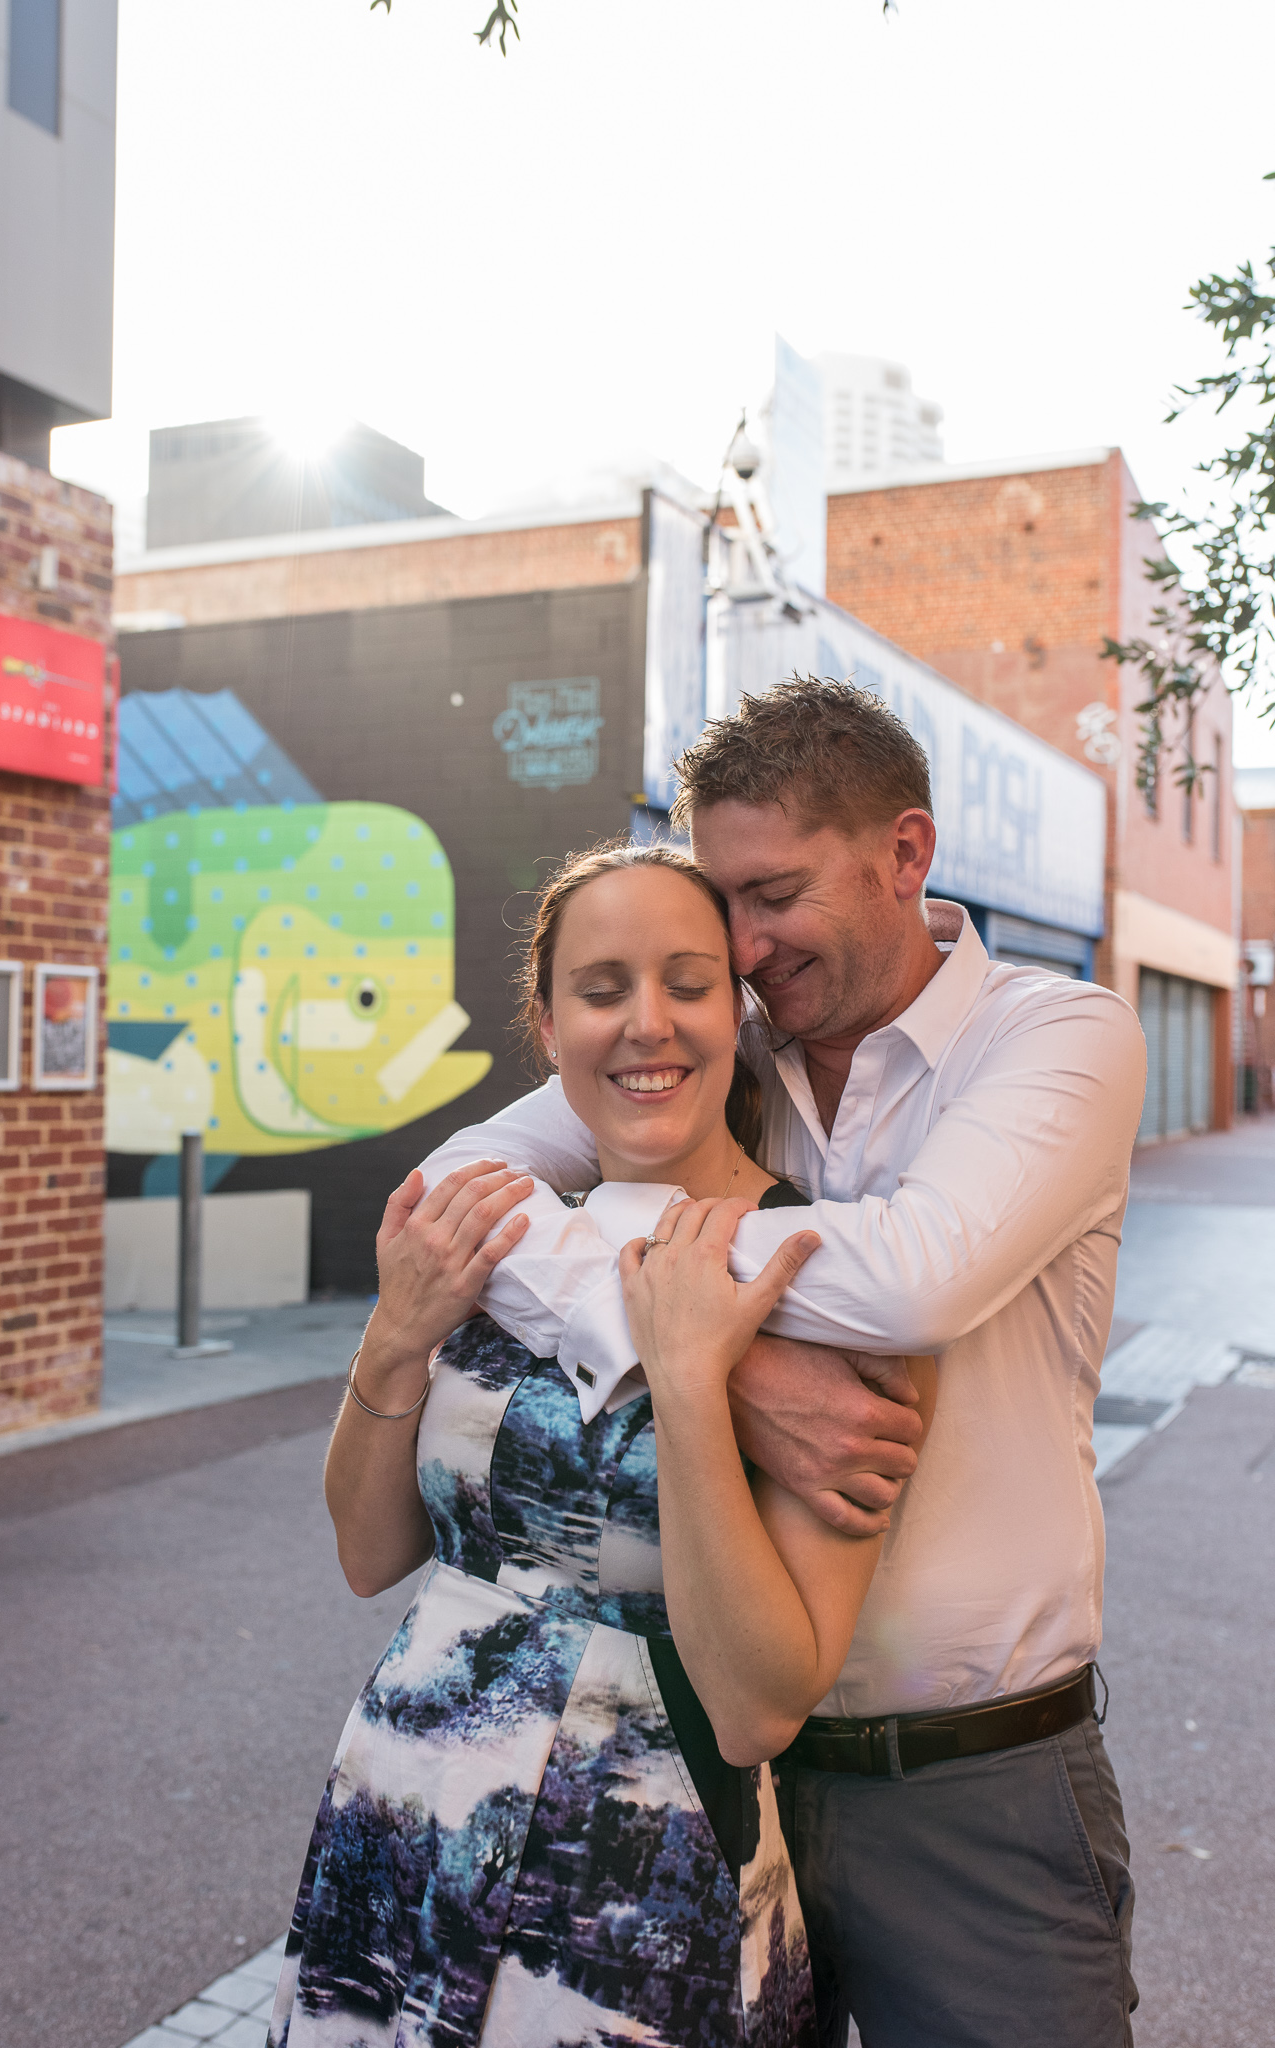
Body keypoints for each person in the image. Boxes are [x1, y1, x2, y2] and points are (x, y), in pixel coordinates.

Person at [416, 677, 1149, 2048]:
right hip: (725, 1785)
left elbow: (916, 1276)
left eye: (773, 894)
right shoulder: (717, 1039)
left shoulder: (1056, 1036)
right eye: (722, 900)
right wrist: (716, 1363)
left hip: (970, 1791)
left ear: (905, 855)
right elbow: (458, 1188)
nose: (740, 946)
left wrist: (682, 1319)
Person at [268, 843, 937, 2048]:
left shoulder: (828, 1277)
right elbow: (373, 1556)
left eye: (686, 981)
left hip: (637, 1892)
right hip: (404, 1820)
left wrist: (688, 1383)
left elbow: (755, 1708)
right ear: (546, 1021)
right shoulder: (505, 1231)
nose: (646, 1025)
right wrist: (395, 1332)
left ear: (736, 1008)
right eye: (601, 987)